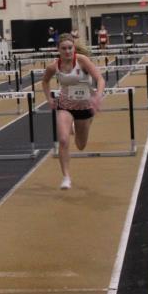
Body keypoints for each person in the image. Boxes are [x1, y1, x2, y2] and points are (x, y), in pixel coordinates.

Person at [41, 33, 106, 190]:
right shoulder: (54, 66)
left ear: (74, 48)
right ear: (58, 50)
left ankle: (79, 125)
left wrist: (98, 96)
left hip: (85, 107)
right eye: (64, 48)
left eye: (70, 48)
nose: (67, 51)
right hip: (65, 105)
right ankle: (66, 177)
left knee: (80, 145)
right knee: (63, 140)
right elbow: (45, 81)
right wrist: (49, 99)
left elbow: (100, 79)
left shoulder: (82, 61)